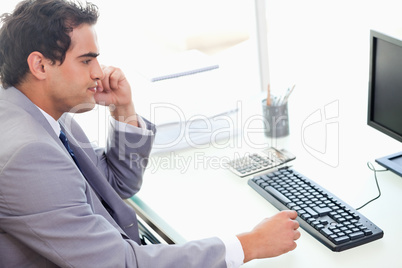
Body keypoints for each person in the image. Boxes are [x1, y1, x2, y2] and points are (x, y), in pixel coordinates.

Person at [0, 0, 301, 267]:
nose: (98, 72)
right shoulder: (29, 154)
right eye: (86, 60)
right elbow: (120, 263)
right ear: (40, 65)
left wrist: (124, 109)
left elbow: (116, 185)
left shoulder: (36, 111)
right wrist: (249, 245)